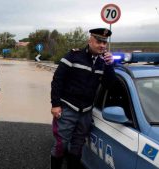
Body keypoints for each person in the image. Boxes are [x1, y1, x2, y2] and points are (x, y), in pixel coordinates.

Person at [50, 28, 116, 169]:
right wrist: (55, 104)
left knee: (78, 146)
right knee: (61, 144)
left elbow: (109, 85)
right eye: (99, 41)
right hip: (68, 108)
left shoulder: (103, 62)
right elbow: (57, 80)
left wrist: (110, 66)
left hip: (86, 111)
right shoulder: (73, 56)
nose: (102, 45)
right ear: (90, 40)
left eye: (104, 42)